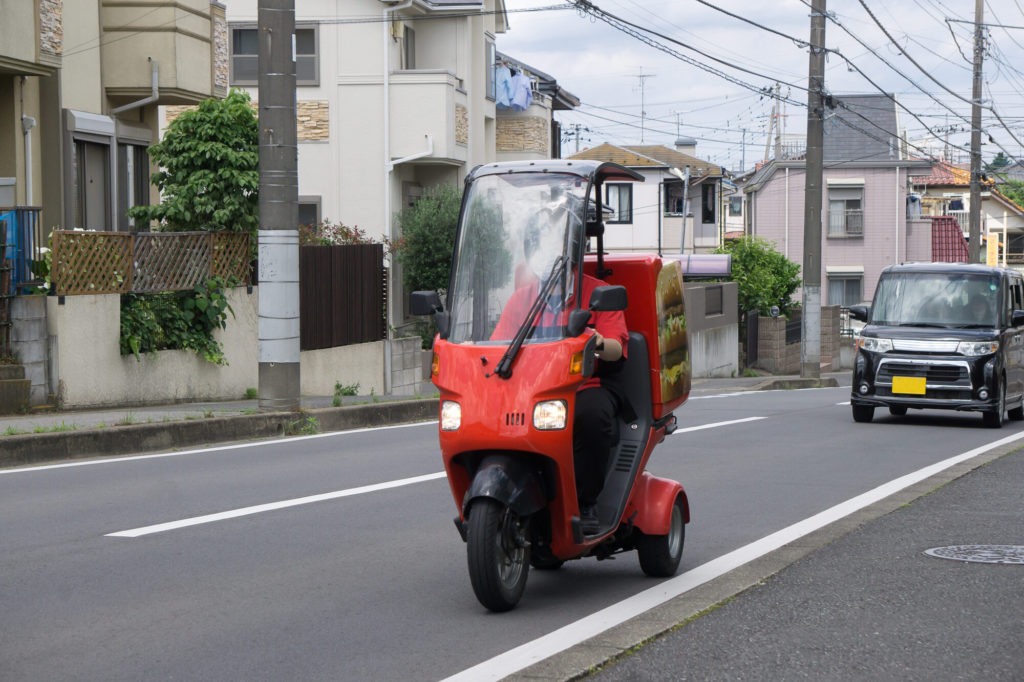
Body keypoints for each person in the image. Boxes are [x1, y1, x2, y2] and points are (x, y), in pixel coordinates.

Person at [491, 210, 628, 535]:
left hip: (583, 386)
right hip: (530, 390)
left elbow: (618, 349)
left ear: (571, 249)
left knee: (592, 417)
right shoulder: (521, 299)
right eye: (540, 244)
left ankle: (586, 502)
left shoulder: (598, 293)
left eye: (554, 244)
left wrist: (596, 341)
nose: (548, 253)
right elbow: (497, 344)